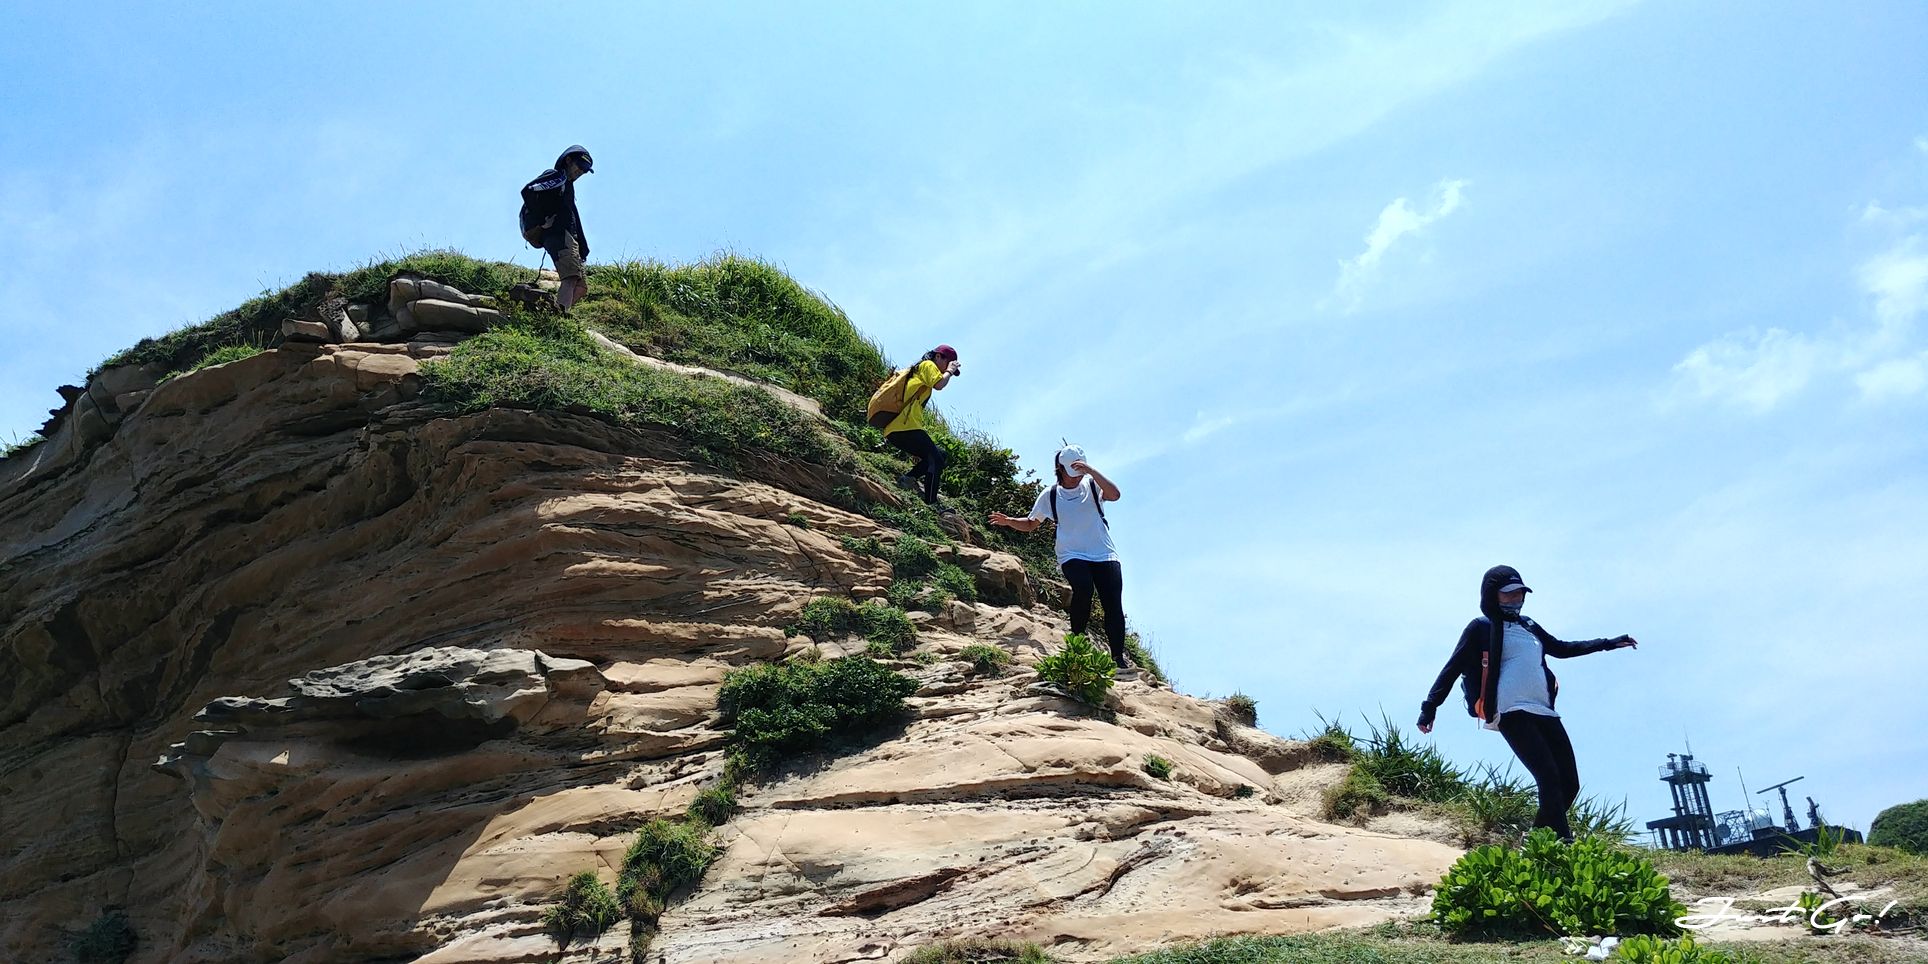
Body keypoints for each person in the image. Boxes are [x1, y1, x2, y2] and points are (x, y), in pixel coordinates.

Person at [1416, 565, 1638, 842]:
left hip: (1544, 710)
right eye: (1508, 595)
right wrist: (1430, 707)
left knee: (1569, 783)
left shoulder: (1529, 626)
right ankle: (1562, 842)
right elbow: (1452, 667)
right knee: (1547, 775)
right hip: (1510, 710)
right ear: (1491, 597)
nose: (1515, 600)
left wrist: (1607, 643)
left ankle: (1535, 841)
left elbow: (1561, 648)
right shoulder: (1481, 628)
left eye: (1519, 594)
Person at [988, 445, 1132, 671]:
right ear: (1060, 470)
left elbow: (1115, 495)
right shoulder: (1051, 495)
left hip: (1104, 552)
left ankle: (1118, 658)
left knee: (1112, 602)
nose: (1076, 478)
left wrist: (1091, 471)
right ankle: (1076, 643)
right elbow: (1031, 523)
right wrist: (1008, 521)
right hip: (1071, 554)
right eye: (1071, 473)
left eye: (1079, 472)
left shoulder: (1092, 486)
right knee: (1083, 588)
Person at [881, 345, 960, 506]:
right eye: (948, 363)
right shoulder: (927, 365)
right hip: (905, 427)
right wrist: (949, 372)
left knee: (940, 454)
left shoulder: (920, 371)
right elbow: (939, 384)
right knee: (936, 460)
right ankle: (931, 503)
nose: (948, 368)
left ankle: (909, 479)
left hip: (901, 428)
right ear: (938, 357)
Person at [519, 145, 594, 310]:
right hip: (558, 235)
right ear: (568, 160)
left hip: (567, 236)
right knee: (571, 278)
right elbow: (528, 190)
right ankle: (558, 317)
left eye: (585, 170)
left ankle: (553, 312)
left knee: (581, 287)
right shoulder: (557, 176)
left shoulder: (567, 185)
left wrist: (583, 247)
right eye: (580, 166)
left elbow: (573, 216)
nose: (581, 172)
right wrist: (542, 219)